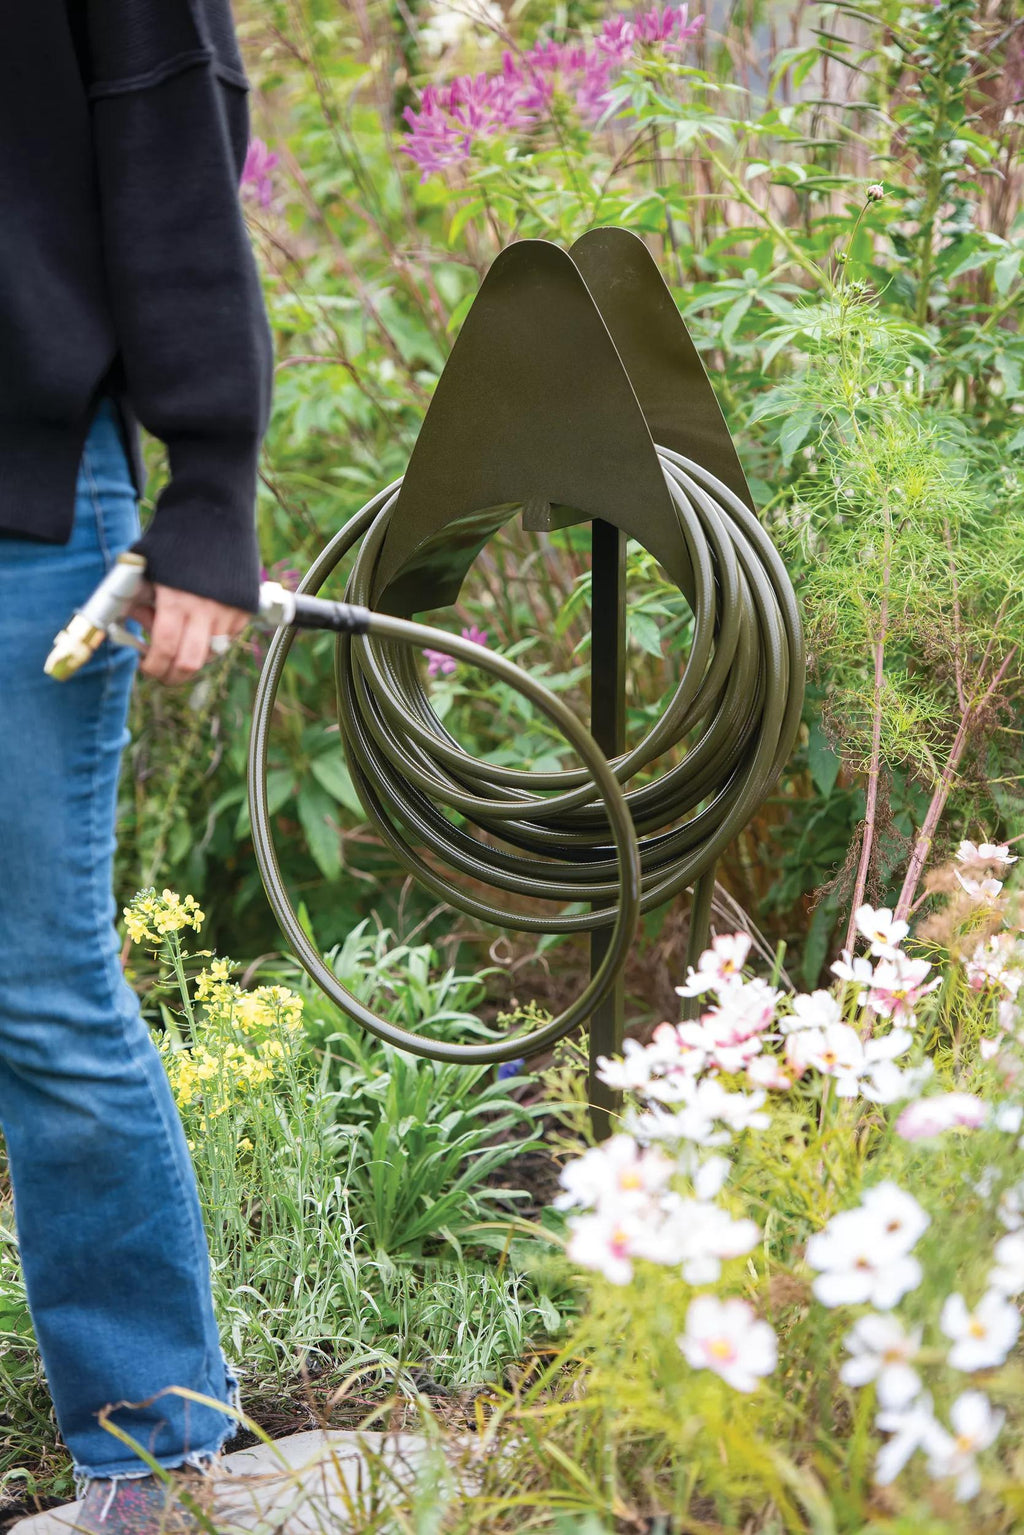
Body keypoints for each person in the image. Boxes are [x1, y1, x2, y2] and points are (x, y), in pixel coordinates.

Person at [0, 3, 272, 1529]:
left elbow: (171, 141)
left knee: (35, 989)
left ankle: (155, 1453)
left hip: (26, 505)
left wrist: (211, 488)